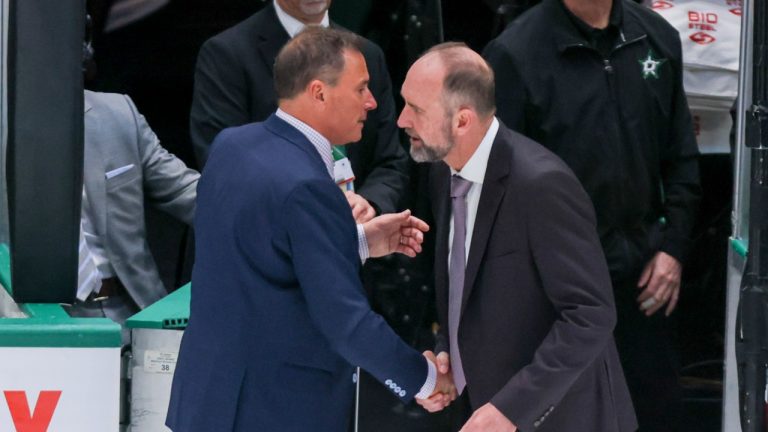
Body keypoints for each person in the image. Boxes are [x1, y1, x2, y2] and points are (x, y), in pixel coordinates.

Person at [166, 28, 454, 432]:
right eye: (361, 89)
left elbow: (261, 256)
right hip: (276, 411)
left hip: (208, 402)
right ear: (319, 93)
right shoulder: (307, 186)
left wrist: (357, 242)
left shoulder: (232, 146)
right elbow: (347, 324)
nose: (372, 103)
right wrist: (422, 380)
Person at [483, 0, 701, 429]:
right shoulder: (514, 53)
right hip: (560, 290)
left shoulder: (656, 36)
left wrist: (673, 247)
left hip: (645, 278)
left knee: (654, 413)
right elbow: (499, 189)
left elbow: (681, 157)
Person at [399, 43, 637, 432]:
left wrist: (513, 407)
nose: (402, 119)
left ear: (462, 121)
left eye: (417, 110)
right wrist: (447, 352)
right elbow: (465, 284)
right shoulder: (443, 170)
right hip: (479, 406)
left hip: (559, 416)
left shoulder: (542, 185)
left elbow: (590, 314)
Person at [190, 0, 408, 222]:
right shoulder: (227, 53)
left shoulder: (368, 54)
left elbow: (390, 160)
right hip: (268, 240)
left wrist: (368, 204)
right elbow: (224, 165)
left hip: (355, 242)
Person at [66, 90, 199, 329]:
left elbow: (181, 189)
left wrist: (263, 210)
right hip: (34, 321)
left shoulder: (117, 112)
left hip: (131, 309)